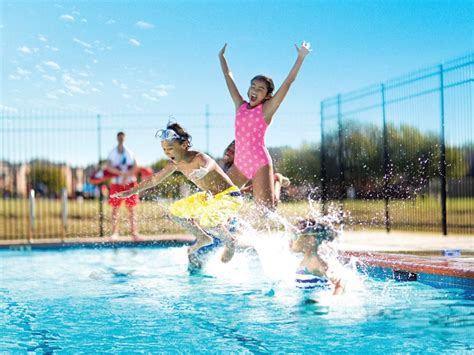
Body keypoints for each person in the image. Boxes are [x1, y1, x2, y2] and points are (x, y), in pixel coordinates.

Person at [111, 123, 243, 263]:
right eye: (164, 149)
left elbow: (209, 163)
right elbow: (155, 179)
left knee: (207, 221)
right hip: (210, 197)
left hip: (229, 196)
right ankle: (203, 237)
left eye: (170, 148)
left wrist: (204, 170)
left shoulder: (198, 157)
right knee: (175, 211)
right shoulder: (175, 164)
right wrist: (132, 191)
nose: (167, 153)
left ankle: (230, 241)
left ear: (184, 144)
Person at [219, 41, 310, 212]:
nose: (255, 90)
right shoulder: (240, 105)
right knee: (220, 200)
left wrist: (300, 58)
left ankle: (276, 180)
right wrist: (221, 57)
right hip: (239, 164)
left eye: (261, 88)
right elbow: (228, 76)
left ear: (268, 96)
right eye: (253, 86)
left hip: (259, 162)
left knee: (267, 211)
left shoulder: (266, 110)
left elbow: (288, 82)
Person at [221, 140, 291, 205]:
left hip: (239, 191)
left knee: (271, 203)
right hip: (236, 192)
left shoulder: (242, 167)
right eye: (229, 150)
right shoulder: (225, 165)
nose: (229, 153)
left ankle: (277, 179)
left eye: (233, 152)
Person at [290, 219, 345, 297]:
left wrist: (335, 298)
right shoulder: (307, 261)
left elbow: (340, 283)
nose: (291, 240)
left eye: (294, 236)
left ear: (310, 239)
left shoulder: (314, 263)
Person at [107, 131, 140, 241]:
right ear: (117, 138)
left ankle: (134, 232)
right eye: (119, 138)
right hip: (116, 183)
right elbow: (108, 167)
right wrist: (121, 174)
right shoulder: (112, 153)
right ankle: (115, 233)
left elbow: (135, 166)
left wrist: (127, 175)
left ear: (124, 138)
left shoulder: (130, 153)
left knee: (131, 209)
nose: (121, 139)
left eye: (122, 138)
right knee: (115, 209)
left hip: (129, 183)